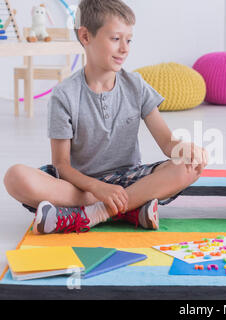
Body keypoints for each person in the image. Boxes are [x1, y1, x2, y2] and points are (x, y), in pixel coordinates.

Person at [3, 0, 208, 235]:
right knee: (15, 177)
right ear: (85, 36)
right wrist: (97, 188)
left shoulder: (137, 86)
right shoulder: (64, 95)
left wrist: (185, 149)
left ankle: (94, 214)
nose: (125, 48)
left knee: (188, 168)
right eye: (115, 39)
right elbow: (62, 165)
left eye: (128, 40)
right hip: (80, 185)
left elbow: (167, 142)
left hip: (129, 179)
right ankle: (131, 208)